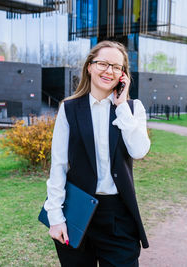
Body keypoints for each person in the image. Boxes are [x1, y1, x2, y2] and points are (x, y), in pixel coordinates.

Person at [44, 40, 151, 267]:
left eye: (116, 67)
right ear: (89, 67)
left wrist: (121, 105)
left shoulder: (133, 109)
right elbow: (59, 166)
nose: (108, 71)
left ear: (123, 75)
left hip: (118, 216)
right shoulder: (69, 108)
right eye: (103, 63)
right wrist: (55, 217)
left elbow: (139, 151)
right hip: (76, 211)